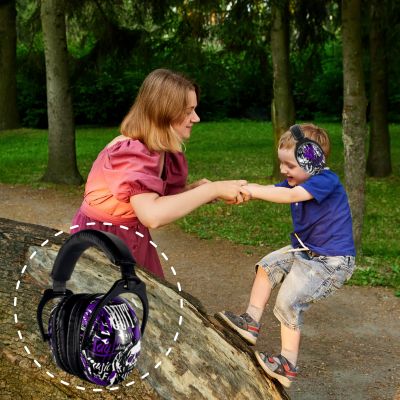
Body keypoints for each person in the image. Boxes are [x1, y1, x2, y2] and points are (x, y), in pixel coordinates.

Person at [71, 69, 249, 278]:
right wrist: (212, 189)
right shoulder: (132, 152)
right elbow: (152, 215)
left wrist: (190, 191)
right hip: (104, 242)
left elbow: (150, 199)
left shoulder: (157, 149)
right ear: (164, 111)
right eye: (188, 110)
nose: (196, 118)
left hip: (130, 237)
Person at [218, 123, 356, 388]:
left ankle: (287, 364)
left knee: (288, 302)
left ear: (313, 161)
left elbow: (289, 195)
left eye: (289, 166)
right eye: (281, 163)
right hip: (306, 251)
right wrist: (240, 189)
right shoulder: (298, 180)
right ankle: (250, 323)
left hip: (331, 262)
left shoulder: (325, 180)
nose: (283, 170)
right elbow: (274, 188)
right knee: (267, 266)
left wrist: (255, 191)